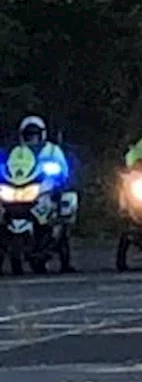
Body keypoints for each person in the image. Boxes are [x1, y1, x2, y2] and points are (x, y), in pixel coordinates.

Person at [15, 115, 74, 272]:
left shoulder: (53, 150)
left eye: (35, 134)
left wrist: (57, 178)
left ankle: (64, 259)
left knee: (61, 217)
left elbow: (64, 170)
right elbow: (7, 166)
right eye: (28, 134)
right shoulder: (17, 152)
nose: (32, 138)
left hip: (45, 190)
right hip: (21, 190)